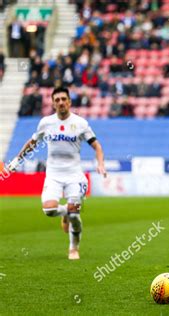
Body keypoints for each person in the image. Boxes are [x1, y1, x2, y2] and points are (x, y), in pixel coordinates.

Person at [6, 87, 107, 260]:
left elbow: (97, 146)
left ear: (69, 102)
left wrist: (101, 164)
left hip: (74, 175)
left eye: (63, 99)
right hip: (53, 175)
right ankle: (65, 212)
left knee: (75, 215)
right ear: (53, 103)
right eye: (57, 100)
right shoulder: (46, 123)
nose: (60, 102)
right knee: (50, 209)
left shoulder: (80, 123)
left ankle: (73, 248)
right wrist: (16, 161)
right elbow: (32, 143)